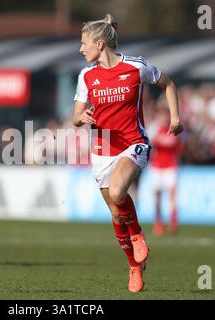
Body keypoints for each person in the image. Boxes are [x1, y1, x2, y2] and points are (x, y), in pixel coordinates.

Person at [72, 14, 183, 293]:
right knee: (116, 214)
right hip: (101, 150)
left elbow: (168, 84)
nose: (80, 49)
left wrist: (175, 118)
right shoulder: (87, 75)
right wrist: (81, 117)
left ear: (99, 44)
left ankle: (137, 234)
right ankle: (134, 267)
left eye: (84, 43)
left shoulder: (136, 67)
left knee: (120, 191)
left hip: (133, 142)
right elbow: (75, 115)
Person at [148, 105, 183, 236]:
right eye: (161, 115)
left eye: (166, 115)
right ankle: (158, 222)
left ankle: (173, 221)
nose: (164, 118)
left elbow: (180, 147)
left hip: (171, 166)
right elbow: (149, 144)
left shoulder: (174, 129)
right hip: (156, 166)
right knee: (157, 195)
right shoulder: (154, 129)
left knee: (172, 193)